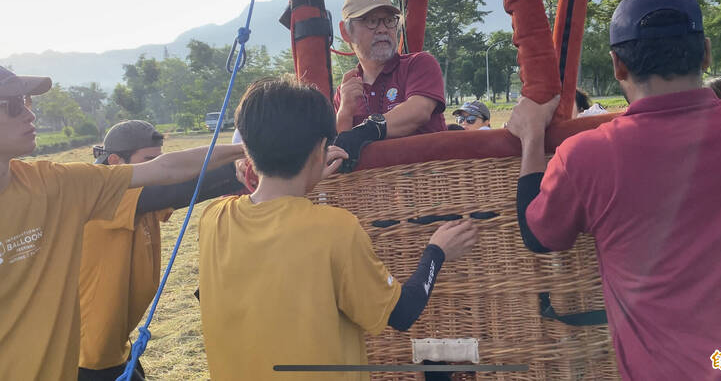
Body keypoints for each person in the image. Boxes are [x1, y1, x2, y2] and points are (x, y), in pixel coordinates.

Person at [507, 0, 721, 380]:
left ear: (617, 66)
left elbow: (538, 233)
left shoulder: (589, 157)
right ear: (707, 52)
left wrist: (530, 140)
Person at [198, 79, 478, 380]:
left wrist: (309, 175)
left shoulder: (214, 218)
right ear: (321, 147)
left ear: (248, 148)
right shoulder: (335, 229)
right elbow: (402, 312)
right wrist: (437, 251)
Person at [0, 66, 244, 381]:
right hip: (91, 359)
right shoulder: (100, 198)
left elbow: (166, 169)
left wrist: (250, 150)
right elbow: (168, 187)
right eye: (15, 105)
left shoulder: (54, 184)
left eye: (28, 103)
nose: (31, 116)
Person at [78, 120, 244, 381]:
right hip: (86, 359)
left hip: (115, 348)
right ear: (115, 161)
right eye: (149, 161)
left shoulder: (140, 195)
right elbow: (177, 189)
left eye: (159, 160)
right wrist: (244, 164)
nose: (158, 169)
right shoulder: (101, 194)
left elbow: (180, 188)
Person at [332, 0, 446, 170]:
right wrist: (345, 112)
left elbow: (419, 111)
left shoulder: (419, 64)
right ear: (346, 32)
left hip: (428, 186)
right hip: (373, 194)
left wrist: (368, 129)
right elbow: (343, 150)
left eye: (389, 21)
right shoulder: (345, 90)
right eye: (371, 21)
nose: (383, 29)